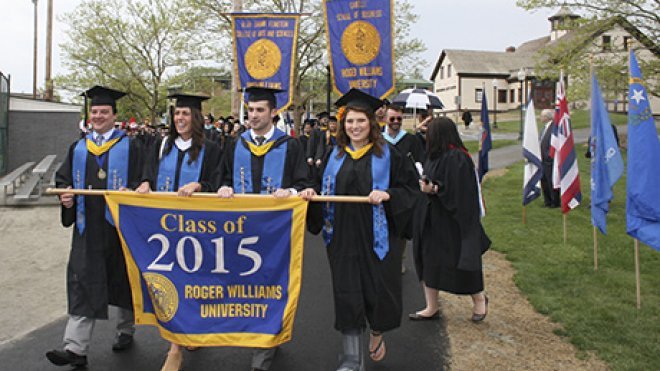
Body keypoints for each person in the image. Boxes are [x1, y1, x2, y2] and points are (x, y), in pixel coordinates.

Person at [301, 89, 418, 371]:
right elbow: (317, 184)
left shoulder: (391, 155)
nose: (354, 127)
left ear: (372, 124)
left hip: (378, 237)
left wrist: (389, 194)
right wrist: (310, 192)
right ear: (343, 125)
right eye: (350, 122)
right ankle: (352, 359)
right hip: (341, 237)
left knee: (378, 292)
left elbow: (411, 190)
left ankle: (377, 332)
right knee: (347, 293)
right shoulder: (333, 155)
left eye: (361, 122)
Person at [47, 86, 146, 368]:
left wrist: (139, 186)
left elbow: (144, 178)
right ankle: (75, 348)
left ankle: (125, 330)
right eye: (95, 112)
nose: (99, 116)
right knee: (82, 282)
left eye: (104, 112)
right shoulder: (78, 147)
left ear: (115, 116)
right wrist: (65, 194)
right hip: (87, 228)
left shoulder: (132, 145)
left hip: (120, 228)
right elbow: (63, 179)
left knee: (124, 280)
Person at [216, 87, 309, 371]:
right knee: (245, 289)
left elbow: (305, 182)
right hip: (239, 230)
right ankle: (258, 335)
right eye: (250, 110)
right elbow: (220, 177)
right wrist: (224, 186)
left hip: (275, 232)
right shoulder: (235, 143)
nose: (253, 116)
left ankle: (264, 349)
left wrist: (290, 190)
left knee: (271, 288)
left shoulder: (289, 145)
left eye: (259, 110)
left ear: (273, 113)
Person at [135, 93, 222, 371]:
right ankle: (175, 345)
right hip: (166, 227)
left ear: (196, 118)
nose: (180, 119)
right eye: (176, 114)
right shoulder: (161, 146)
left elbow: (219, 182)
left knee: (195, 282)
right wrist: (145, 184)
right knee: (172, 281)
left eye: (185, 114)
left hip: (198, 228)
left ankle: (188, 335)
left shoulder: (212, 148)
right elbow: (147, 174)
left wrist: (200, 186)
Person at [410, 117, 491, 323]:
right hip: (431, 219)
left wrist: (435, 189)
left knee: (461, 263)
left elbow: (459, 191)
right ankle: (431, 306)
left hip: (452, 222)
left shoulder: (457, 157)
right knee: (429, 262)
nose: (427, 135)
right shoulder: (434, 156)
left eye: (430, 132)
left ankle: (480, 300)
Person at [539, 109, 560, 208]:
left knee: (551, 180)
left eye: (542, 116)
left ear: (547, 117)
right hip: (542, 159)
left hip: (549, 160)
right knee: (544, 180)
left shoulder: (553, 128)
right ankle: (547, 200)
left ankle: (554, 201)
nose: (540, 118)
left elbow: (554, 143)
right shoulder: (544, 128)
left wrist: (549, 156)